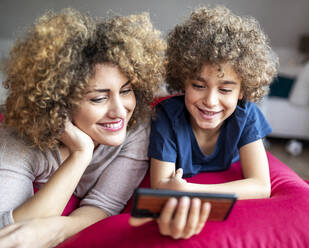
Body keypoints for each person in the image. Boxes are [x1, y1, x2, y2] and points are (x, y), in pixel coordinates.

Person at [0, 8, 166, 247]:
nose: (120, 111)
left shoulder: (135, 128)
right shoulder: (16, 141)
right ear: (60, 101)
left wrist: (57, 229)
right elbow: (8, 232)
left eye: (126, 91)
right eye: (99, 98)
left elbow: (103, 206)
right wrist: (81, 154)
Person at [149, 5, 278, 222]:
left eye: (225, 90)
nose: (210, 101)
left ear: (242, 91)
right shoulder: (167, 117)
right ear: (183, 81)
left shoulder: (246, 114)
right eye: (198, 86)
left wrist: (190, 190)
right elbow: (160, 185)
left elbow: (261, 186)